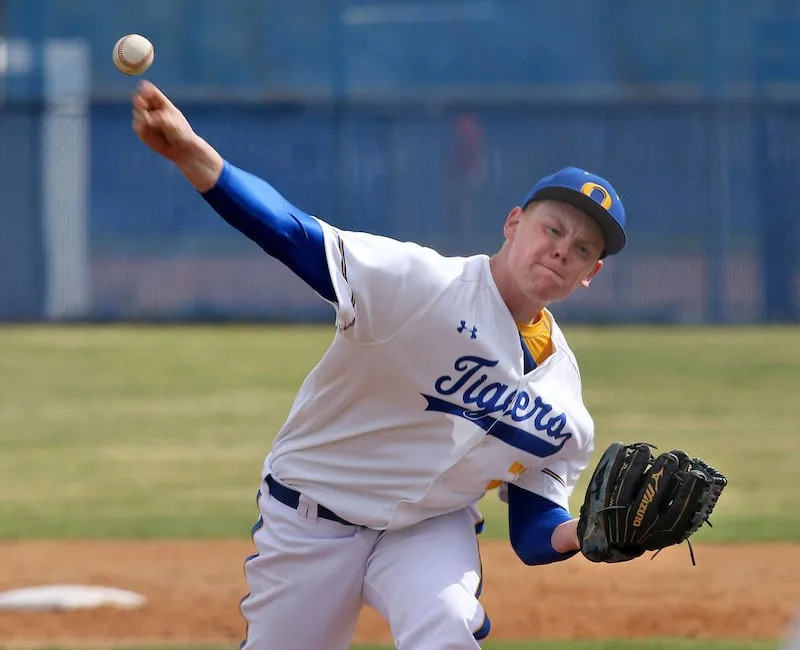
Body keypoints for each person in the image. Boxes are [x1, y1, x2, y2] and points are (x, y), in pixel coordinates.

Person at [131, 80, 627, 650]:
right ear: (513, 223)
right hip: (313, 517)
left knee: (443, 624)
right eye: (553, 228)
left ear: (591, 274)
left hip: (428, 528)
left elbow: (533, 528)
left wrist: (583, 535)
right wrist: (192, 152)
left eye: (584, 248)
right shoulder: (420, 284)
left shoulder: (563, 401)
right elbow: (291, 234)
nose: (563, 250)